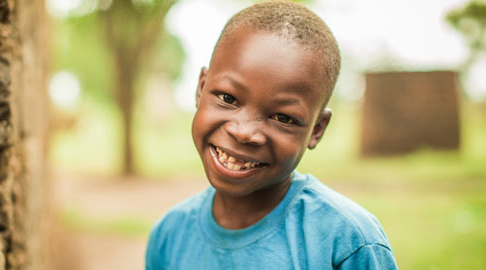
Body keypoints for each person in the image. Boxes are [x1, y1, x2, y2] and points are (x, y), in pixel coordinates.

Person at [145, 1, 397, 269]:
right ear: (201, 88)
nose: (244, 132)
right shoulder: (169, 235)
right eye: (228, 98)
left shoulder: (347, 243)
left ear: (317, 129)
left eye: (282, 118)